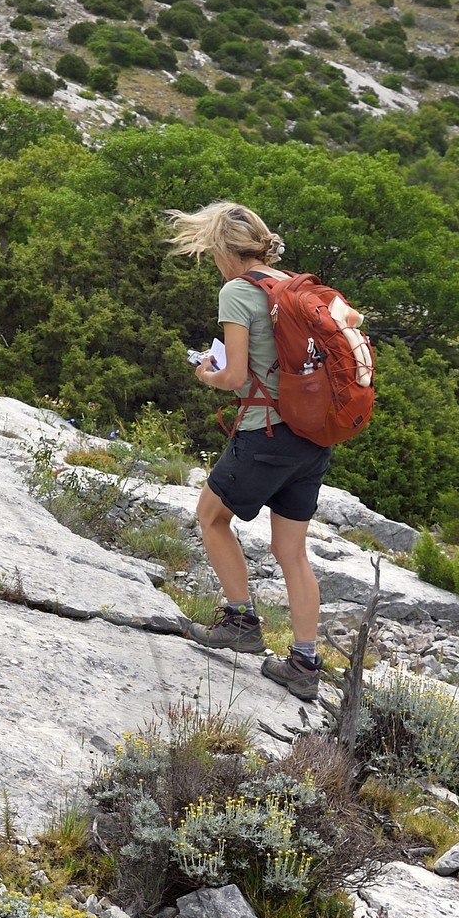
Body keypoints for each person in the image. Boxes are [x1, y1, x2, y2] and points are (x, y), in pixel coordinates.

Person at [163, 200, 330, 701]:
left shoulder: (237, 291)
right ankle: (303, 663)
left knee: (211, 516)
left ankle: (239, 622)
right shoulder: (291, 286)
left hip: (267, 433)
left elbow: (235, 376)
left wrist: (206, 374)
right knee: (292, 552)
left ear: (224, 250)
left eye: (212, 251)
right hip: (312, 438)